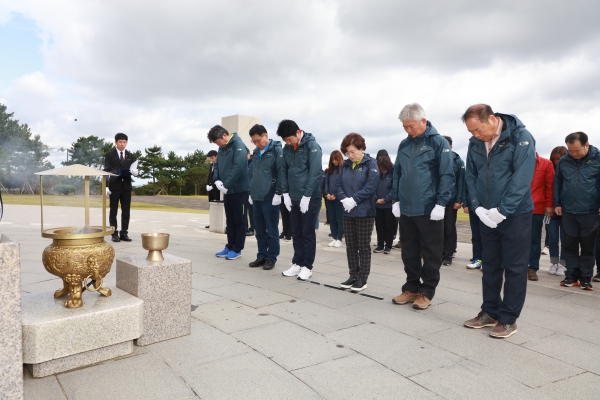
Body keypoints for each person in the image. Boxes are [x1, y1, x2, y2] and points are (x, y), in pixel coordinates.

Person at [462, 104, 536, 339]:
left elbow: (522, 177)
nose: (474, 135)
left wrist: (503, 210)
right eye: (470, 131)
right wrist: (478, 206)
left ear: (492, 119)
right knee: (490, 264)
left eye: (477, 129)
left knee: (514, 267)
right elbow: (470, 175)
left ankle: (508, 319)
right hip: (486, 213)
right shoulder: (475, 143)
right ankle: (490, 311)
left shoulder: (520, 137)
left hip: (514, 214)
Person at [390, 103, 454, 310]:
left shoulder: (439, 143)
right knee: (409, 250)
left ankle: (426, 291)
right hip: (407, 207)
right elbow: (397, 173)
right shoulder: (404, 145)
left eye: (411, 126)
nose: (408, 130)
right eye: (405, 127)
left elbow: (447, 175)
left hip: (429, 208)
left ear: (423, 121)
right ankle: (410, 287)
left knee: (431, 251)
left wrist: (441, 203)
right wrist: (395, 199)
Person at [554, 132, 600, 290]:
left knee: (588, 246)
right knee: (569, 244)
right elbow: (558, 182)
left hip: (590, 210)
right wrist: (557, 203)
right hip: (568, 210)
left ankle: (585, 277)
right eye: (570, 150)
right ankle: (571, 275)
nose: (573, 153)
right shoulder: (564, 161)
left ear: (587, 145)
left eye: (576, 150)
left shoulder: (597, 159)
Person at [278, 119, 323, 281]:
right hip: (293, 196)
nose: (288, 143)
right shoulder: (288, 148)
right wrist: (285, 193)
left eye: (290, 139)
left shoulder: (312, 146)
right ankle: (297, 262)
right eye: (285, 141)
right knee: (295, 231)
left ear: (298, 132)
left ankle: (307, 266)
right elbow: (283, 170)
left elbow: (315, 172)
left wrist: (307, 195)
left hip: (310, 197)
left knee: (307, 232)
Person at [335, 133, 378, 291]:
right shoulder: (345, 165)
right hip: (347, 211)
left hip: (364, 211)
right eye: (347, 152)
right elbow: (338, 184)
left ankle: (362, 278)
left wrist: (354, 199)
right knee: (350, 245)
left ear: (361, 148)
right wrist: (344, 199)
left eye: (353, 151)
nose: (350, 155)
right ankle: (353, 275)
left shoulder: (370, 164)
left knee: (363, 245)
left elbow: (370, 187)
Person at [208, 125, 249, 260]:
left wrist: (227, 184)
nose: (217, 144)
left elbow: (238, 167)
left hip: (239, 190)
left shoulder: (238, 145)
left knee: (239, 220)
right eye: (215, 143)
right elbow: (218, 165)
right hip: (227, 190)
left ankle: (237, 248)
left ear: (224, 135)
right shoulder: (222, 148)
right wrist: (217, 180)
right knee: (230, 220)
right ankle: (230, 245)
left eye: (217, 141)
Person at [247, 124, 283, 270]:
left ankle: (272, 257)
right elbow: (252, 173)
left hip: (270, 196)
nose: (256, 144)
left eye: (258, 140)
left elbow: (281, 172)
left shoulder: (276, 150)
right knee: (259, 229)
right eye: (253, 141)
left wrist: (278, 192)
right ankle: (261, 255)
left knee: (271, 229)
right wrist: (250, 192)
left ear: (266, 135)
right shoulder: (256, 153)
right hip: (256, 196)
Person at [104, 132, 138, 242]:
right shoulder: (110, 155)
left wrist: (135, 172)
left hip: (126, 187)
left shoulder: (131, 155)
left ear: (126, 143)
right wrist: (106, 187)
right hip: (114, 186)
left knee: (126, 211)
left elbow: (134, 169)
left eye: (124, 142)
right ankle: (114, 233)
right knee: (113, 211)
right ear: (116, 142)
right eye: (120, 142)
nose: (122, 144)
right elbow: (106, 171)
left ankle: (124, 233)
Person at [527, 151, 555, 281]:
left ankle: (532, 267)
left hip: (536, 207)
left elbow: (550, 187)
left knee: (534, 239)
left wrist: (549, 205)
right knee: (513, 238)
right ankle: (514, 265)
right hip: (515, 207)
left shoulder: (546, 164)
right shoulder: (515, 160)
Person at [442, 136, 465, 265]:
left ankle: (448, 254)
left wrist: (459, 200)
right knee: (438, 229)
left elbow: (461, 182)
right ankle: (439, 252)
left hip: (451, 200)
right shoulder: (435, 159)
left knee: (449, 228)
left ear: (451, 146)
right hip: (437, 201)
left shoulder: (458, 162)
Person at [548, 146, 567, 276]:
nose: (557, 162)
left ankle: (563, 264)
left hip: (566, 211)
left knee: (565, 238)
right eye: (555, 159)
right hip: (552, 211)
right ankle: (554, 262)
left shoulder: (569, 172)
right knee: (552, 238)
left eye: (559, 159)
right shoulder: (550, 171)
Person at [374, 154, 396, 254]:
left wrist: (386, 199)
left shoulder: (393, 174)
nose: (383, 171)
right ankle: (380, 244)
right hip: (377, 204)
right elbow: (372, 186)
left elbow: (394, 188)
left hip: (388, 205)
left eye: (384, 169)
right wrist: (376, 199)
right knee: (379, 226)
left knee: (389, 226)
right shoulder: (376, 174)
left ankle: (388, 245)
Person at [323, 150, 344, 248]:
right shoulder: (328, 171)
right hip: (329, 198)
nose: (335, 161)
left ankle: (339, 239)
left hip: (339, 198)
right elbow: (326, 183)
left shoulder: (343, 170)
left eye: (336, 159)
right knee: (331, 218)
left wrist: (335, 194)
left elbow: (342, 184)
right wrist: (327, 194)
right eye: (333, 160)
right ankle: (334, 238)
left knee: (339, 219)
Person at [246, 150, 255, 236]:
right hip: (245, 191)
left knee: (252, 212)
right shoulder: (245, 164)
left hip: (251, 191)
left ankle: (253, 228)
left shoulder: (252, 163)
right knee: (245, 211)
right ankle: (246, 228)